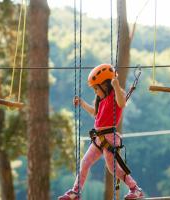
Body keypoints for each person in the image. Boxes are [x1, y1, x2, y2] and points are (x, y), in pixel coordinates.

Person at [58, 64, 144, 200]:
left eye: (96, 88)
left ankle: (135, 189)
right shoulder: (102, 100)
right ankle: (75, 192)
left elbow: (122, 103)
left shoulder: (116, 95)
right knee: (85, 162)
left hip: (109, 137)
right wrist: (82, 103)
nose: (95, 92)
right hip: (99, 138)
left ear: (105, 85)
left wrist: (115, 86)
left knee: (112, 168)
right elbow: (95, 113)